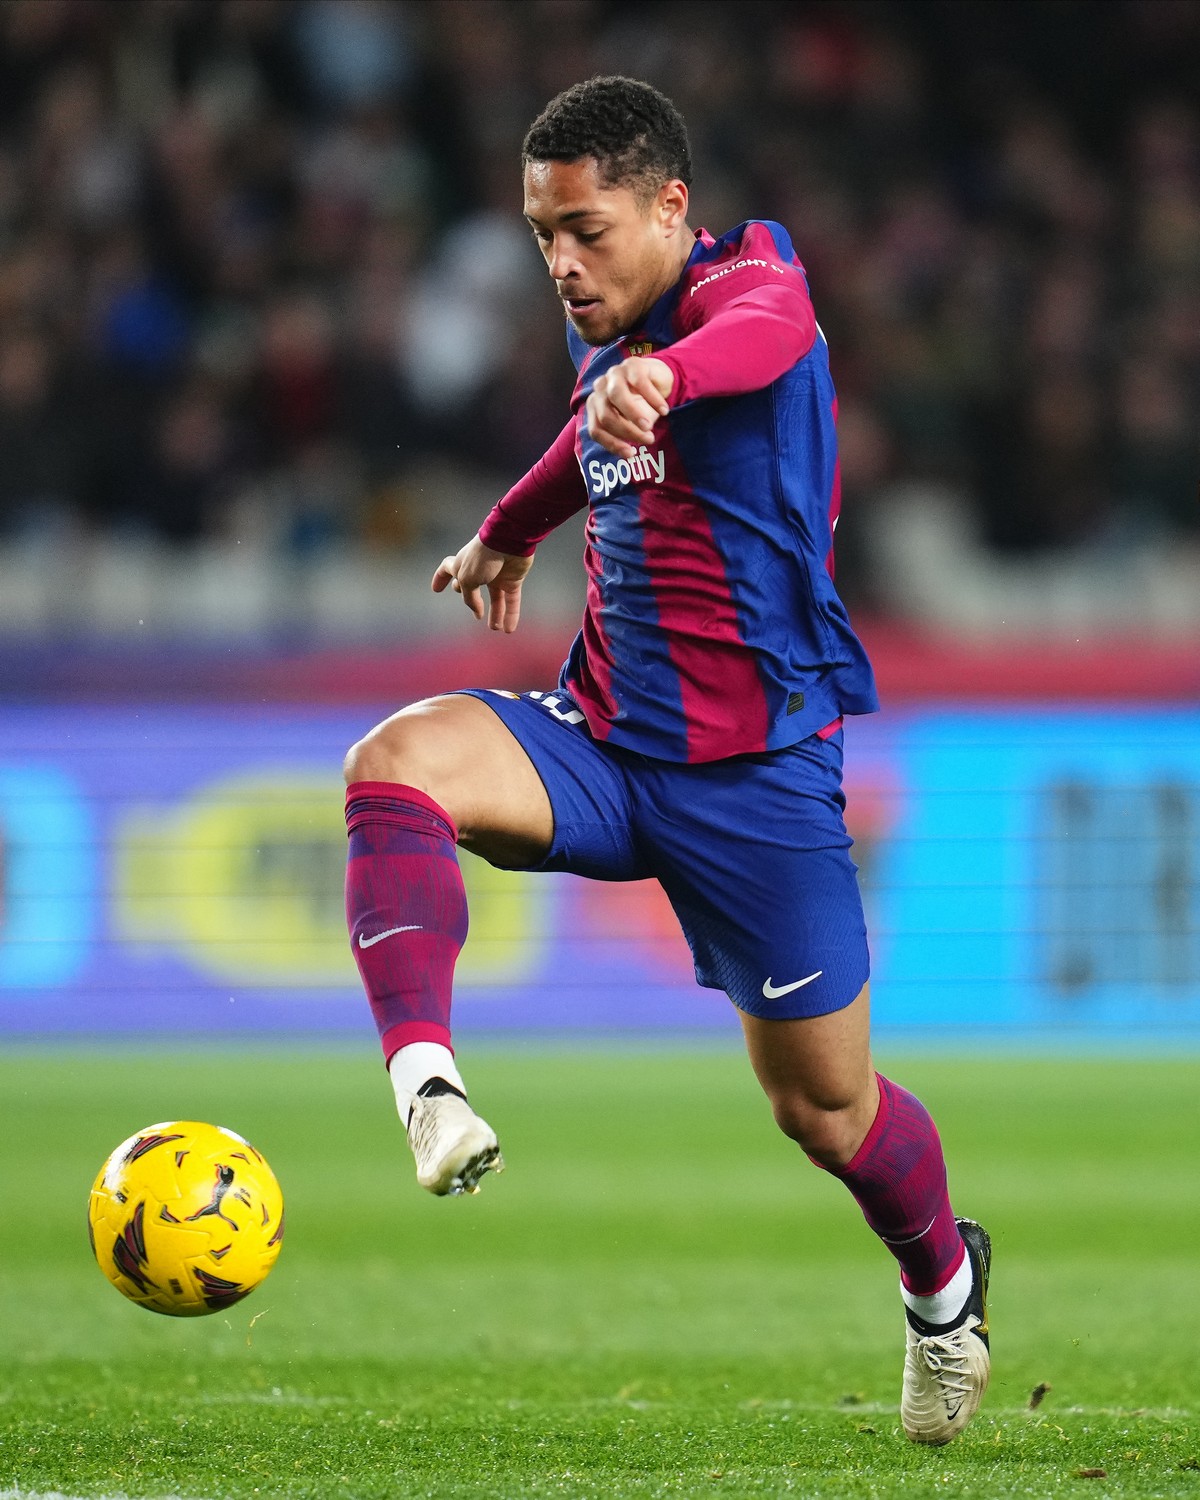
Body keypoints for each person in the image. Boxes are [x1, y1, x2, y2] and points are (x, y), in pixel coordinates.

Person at [342, 75, 990, 1446]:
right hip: (603, 743)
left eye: (584, 229)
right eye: (542, 236)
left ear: (668, 207)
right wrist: (509, 526)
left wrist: (667, 376)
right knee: (394, 763)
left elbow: (768, 331)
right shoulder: (610, 346)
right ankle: (427, 1090)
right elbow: (585, 440)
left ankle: (944, 1287)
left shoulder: (746, 288)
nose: (561, 262)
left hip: (756, 782)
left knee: (824, 1113)